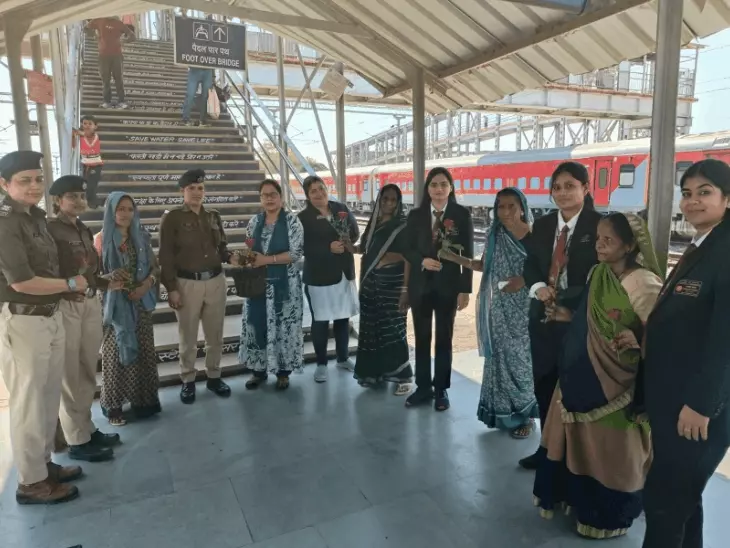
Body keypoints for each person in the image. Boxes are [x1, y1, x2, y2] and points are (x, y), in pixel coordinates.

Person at [533, 212, 662, 539]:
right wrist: (567, 315)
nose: (600, 246)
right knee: (580, 443)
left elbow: (661, 334)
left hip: (618, 385)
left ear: (629, 245)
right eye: (598, 239)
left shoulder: (644, 283)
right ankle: (577, 502)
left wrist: (638, 339)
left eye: (609, 240)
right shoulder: (598, 273)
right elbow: (590, 319)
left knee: (611, 450)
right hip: (580, 375)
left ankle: (608, 515)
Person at [641, 158, 730, 548]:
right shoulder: (705, 244)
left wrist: (702, 404)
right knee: (684, 499)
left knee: (665, 502)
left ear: (728, 198)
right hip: (676, 399)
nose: (692, 201)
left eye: (704, 192)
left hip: (697, 409)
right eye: (687, 193)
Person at [0, 151, 88, 504]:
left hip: (49, 315)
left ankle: (43, 465)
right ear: (4, 184)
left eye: (38, 179)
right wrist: (71, 284)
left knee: (48, 398)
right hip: (24, 320)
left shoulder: (36, 218)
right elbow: (21, 281)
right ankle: (31, 482)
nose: (34, 186)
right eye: (24, 180)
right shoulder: (6, 223)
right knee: (29, 402)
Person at [519, 161, 602, 469]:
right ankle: (546, 449)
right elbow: (530, 264)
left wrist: (569, 302)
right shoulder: (542, 225)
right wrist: (538, 287)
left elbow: (603, 276)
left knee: (575, 389)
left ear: (586, 188)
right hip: (543, 318)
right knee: (544, 384)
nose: (563, 193)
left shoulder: (599, 226)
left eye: (570, 186)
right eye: (557, 187)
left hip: (579, 321)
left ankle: (574, 457)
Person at [47, 175, 123, 462]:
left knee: (87, 369)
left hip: (89, 301)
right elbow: (49, 270)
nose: (79, 201)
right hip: (67, 305)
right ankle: (76, 439)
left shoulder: (82, 228)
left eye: (81, 196)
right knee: (70, 374)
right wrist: (65, 289)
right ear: (58, 201)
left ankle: (87, 428)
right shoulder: (50, 229)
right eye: (72, 197)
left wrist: (106, 283)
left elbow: (88, 272)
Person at [461, 188, 538, 436]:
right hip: (499, 308)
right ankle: (505, 414)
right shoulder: (495, 234)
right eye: (500, 207)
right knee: (500, 359)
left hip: (525, 308)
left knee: (521, 361)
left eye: (511, 206)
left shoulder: (534, 235)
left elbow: (545, 270)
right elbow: (483, 265)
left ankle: (527, 417)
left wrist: (523, 281)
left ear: (522, 207)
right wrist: (452, 257)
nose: (505, 212)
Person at [159, 168, 239, 404]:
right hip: (187, 283)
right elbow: (166, 256)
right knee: (188, 337)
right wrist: (171, 288)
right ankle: (188, 379)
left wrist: (231, 257)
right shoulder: (172, 218)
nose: (196, 192)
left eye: (201, 188)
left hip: (215, 281)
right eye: (191, 188)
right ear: (182, 191)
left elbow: (221, 248)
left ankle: (214, 376)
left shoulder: (213, 216)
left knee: (215, 335)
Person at [403, 167, 473, 412]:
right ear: (428, 189)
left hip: (448, 286)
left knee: (444, 338)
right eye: (434, 184)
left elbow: (468, 252)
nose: (439, 189)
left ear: (451, 188)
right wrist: (421, 260)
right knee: (422, 337)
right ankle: (423, 387)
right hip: (420, 286)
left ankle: (441, 388)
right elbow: (407, 248)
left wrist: (465, 289)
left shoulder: (461, 215)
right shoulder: (415, 215)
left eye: (444, 184)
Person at [94, 192, 162, 425]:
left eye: (129, 209)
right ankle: (114, 407)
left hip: (140, 302)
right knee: (115, 354)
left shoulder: (141, 237)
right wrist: (111, 277)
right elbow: (92, 277)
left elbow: (155, 269)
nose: (125, 214)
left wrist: (146, 286)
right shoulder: (100, 240)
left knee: (143, 352)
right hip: (115, 307)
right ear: (111, 211)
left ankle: (144, 402)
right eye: (120, 209)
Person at [239, 180, 304, 390]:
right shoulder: (254, 222)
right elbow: (250, 251)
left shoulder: (292, 222)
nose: (269, 198)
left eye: (273, 194)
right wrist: (244, 259)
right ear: (260, 199)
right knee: (257, 326)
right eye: (265, 195)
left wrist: (266, 260)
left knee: (284, 328)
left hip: (285, 287)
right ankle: (258, 371)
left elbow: (295, 253)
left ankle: (283, 373)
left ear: (281, 197)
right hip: (258, 286)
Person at [352, 184, 414, 395]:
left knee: (394, 330)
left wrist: (406, 290)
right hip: (371, 284)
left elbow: (409, 257)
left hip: (393, 285)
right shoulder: (373, 223)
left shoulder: (403, 226)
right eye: (385, 199)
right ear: (379, 200)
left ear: (398, 203)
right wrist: (349, 246)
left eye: (393, 200)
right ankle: (376, 372)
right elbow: (365, 249)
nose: (388, 203)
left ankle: (404, 376)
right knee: (372, 330)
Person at [298, 175, 360, 383]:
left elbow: (355, 232)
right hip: (319, 277)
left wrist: (346, 241)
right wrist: (328, 248)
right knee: (321, 320)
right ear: (307, 195)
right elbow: (301, 247)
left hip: (343, 273)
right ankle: (321, 363)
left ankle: (343, 358)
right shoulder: (303, 218)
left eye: (321, 188)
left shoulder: (340, 208)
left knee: (343, 318)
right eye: (313, 191)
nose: (319, 193)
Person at [86, 17, 135, 109]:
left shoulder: (118, 23)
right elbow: (86, 28)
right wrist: (94, 36)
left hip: (117, 55)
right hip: (103, 55)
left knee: (118, 78)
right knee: (105, 79)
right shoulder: (99, 20)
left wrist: (124, 41)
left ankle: (121, 101)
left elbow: (132, 36)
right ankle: (106, 101)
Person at [72, 115, 103, 209]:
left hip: (96, 165)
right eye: (85, 123)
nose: (87, 126)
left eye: (90, 124)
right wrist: (73, 136)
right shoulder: (80, 137)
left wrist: (77, 132)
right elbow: (73, 146)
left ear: (95, 126)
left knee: (92, 184)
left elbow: (87, 134)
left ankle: (93, 202)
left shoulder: (95, 136)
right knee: (86, 184)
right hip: (85, 164)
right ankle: (91, 201)